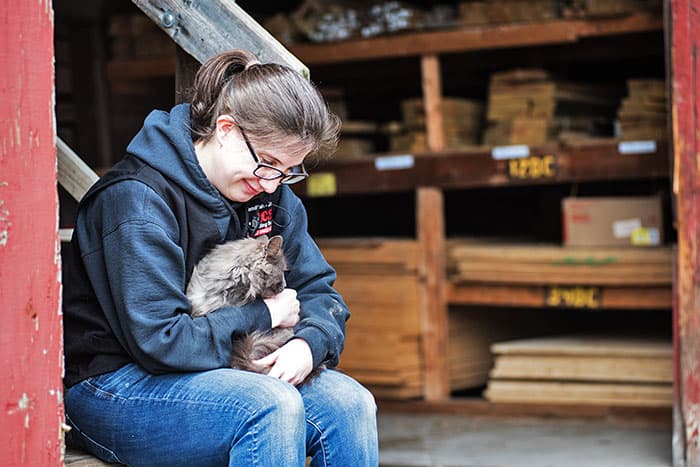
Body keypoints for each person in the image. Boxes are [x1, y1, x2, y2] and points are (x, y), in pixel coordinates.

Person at [62, 49, 379, 467]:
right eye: (267, 164)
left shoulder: (270, 194)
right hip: (115, 383)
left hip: (221, 368)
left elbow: (319, 290)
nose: (273, 184)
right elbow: (163, 343)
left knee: (350, 403)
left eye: (289, 171)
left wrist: (310, 342)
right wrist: (264, 315)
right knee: (268, 406)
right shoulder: (137, 202)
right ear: (226, 129)